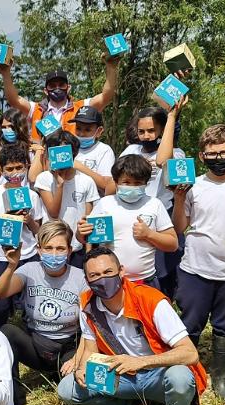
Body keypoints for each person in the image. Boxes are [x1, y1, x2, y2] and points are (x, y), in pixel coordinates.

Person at [58, 247, 206, 405]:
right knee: (68, 389)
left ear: (121, 271)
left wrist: (141, 361)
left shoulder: (151, 300)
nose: (102, 279)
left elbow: (190, 353)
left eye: (108, 272)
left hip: (158, 375)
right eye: (94, 275)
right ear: (87, 279)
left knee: (180, 378)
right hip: (121, 374)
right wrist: (82, 369)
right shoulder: (87, 304)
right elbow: (90, 347)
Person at [170, 124, 225, 402]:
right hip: (195, 269)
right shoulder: (194, 187)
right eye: (212, 154)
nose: (219, 158)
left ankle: (219, 378)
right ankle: (187, 375)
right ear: (202, 157)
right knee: (190, 324)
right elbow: (180, 227)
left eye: (224, 152)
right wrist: (179, 197)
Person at [0, 220, 89, 405]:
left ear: (70, 251)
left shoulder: (80, 278)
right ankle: (14, 396)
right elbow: (0, 292)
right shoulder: (29, 270)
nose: (54, 254)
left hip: (67, 348)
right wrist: (11, 265)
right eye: (48, 248)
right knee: (5, 332)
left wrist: (77, 359)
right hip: (36, 345)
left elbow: (90, 326)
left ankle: (61, 375)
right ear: (39, 250)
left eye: (60, 248)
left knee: (76, 385)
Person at [77, 155, 179, 288]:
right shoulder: (106, 203)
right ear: (116, 181)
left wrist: (149, 234)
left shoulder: (154, 204)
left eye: (137, 183)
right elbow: (85, 238)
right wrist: (80, 233)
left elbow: (173, 244)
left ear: (146, 183)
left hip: (145, 281)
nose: (132, 187)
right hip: (111, 281)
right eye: (126, 182)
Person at [120, 100, 188, 297]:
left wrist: (172, 116)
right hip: (133, 217)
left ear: (162, 130)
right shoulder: (131, 151)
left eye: (151, 130)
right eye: (141, 131)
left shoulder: (177, 154)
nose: (146, 136)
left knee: (162, 275)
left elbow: (162, 161)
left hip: (162, 218)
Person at [0, 142, 45, 327]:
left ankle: (27, 336)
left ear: (26, 166)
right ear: (1, 171)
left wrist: (29, 221)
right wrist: (4, 218)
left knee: (27, 302)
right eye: (10, 168)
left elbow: (38, 230)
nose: (15, 172)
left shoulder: (32, 196)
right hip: (2, 256)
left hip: (28, 255)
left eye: (19, 167)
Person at [0, 51, 119, 142]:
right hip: (42, 165)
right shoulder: (36, 110)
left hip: (72, 162)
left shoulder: (81, 108)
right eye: (52, 85)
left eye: (61, 84)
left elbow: (106, 96)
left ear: (68, 88)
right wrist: (5, 73)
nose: (57, 88)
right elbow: (14, 100)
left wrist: (111, 67)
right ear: (46, 90)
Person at [33, 130, 99, 267]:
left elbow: (87, 220)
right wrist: (60, 184)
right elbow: (53, 213)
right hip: (52, 247)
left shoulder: (87, 181)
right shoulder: (44, 178)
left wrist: (88, 252)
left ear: (73, 154)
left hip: (76, 247)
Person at [68, 106, 116, 194]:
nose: (81, 134)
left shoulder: (104, 151)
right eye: (78, 128)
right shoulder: (67, 148)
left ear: (99, 131)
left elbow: (106, 185)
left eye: (87, 130)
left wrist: (79, 166)